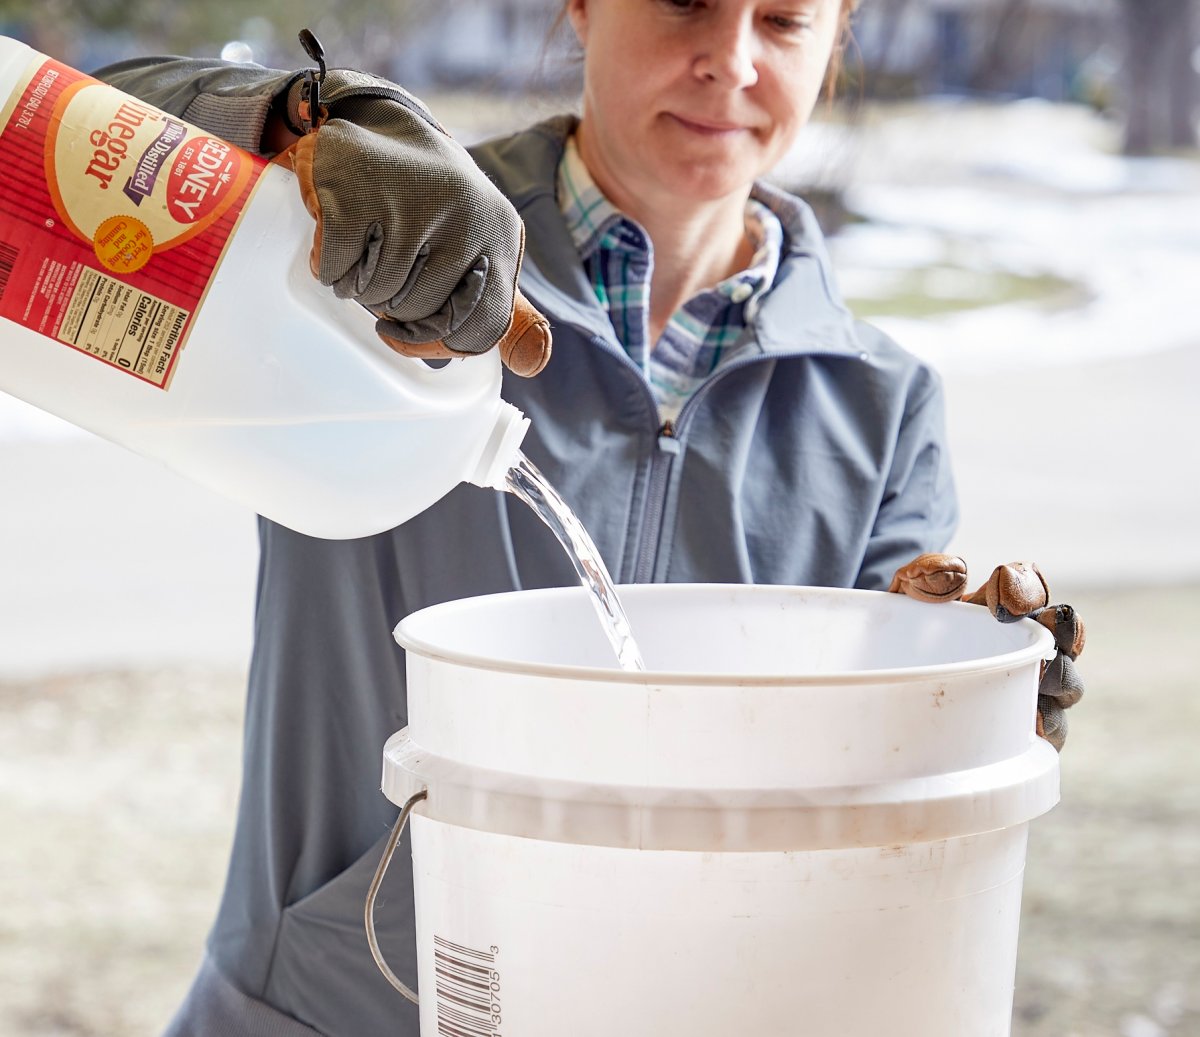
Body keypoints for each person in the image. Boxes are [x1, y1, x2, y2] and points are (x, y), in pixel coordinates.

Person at [96, 1, 1082, 1033]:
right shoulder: (378, 245)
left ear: (837, 43)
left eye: (784, 21)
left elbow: (876, 800)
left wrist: (973, 698)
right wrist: (293, 120)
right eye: (687, 3)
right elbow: (40, 154)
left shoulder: (881, 408)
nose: (730, 62)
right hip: (327, 1004)